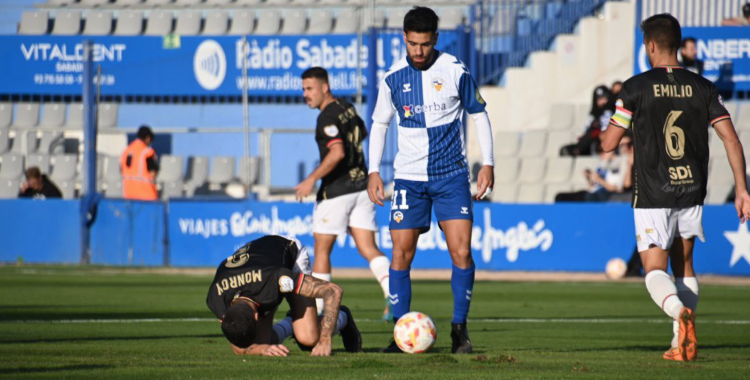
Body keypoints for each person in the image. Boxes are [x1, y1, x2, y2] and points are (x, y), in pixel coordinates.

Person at [600, 13, 750, 362]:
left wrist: (622, 120)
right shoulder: (703, 87)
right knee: (685, 268)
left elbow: (608, 143)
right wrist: (742, 190)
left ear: (650, 46)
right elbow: (731, 139)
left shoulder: (635, 87)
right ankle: (680, 343)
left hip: (653, 192)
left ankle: (678, 314)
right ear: (678, 45)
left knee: (654, 269)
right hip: (692, 189)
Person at [367, 6, 495, 354]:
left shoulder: (454, 70)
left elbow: (479, 114)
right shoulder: (393, 77)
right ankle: (400, 330)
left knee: (462, 252)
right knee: (401, 255)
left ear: (435, 39)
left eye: (424, 44)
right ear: (404, 39)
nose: (418, 51)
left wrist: (488, 163)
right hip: (408, 180)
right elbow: (379, 124)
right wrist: (373, 170)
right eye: (412, 44)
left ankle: (459, 329)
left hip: (451, 176)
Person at [295, 67, 392, 320]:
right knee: (369, 247)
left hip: (337, 191)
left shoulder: (326, 118)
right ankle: (394, 297)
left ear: (324, 87)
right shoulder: (347, 107)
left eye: (309, 89)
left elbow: (336, 152)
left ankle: (317, 310)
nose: (305, 94)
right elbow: (363, 131)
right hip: (362, 188)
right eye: (304, 89)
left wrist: (310, 179)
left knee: (322, 249)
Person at [206, 235, 362, 357]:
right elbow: (239, 347)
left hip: (287, 254)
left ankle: (344, 316)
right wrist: (263, 348)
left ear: (256, 316)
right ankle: (292, 322)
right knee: (263, 344)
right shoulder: (216, 298)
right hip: (260, 273)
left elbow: (333, 291)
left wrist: (326, 340)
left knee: (309, 339)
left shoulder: (276, 278)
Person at [555, 142, 624, 202]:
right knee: (560, 197)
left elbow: (617, 188)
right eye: (599, 153)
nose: (601, 155)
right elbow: (592, 188)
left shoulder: (618, 165)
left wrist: (600, 180)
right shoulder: (602, 166)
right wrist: (589, 178)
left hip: (602, 196)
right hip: (593, 194)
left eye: (602, 152)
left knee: (562, 198)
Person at [560, 85, 614, 156]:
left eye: (605, 98)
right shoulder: (593, 115)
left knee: (591, 135)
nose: (603, 101)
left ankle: (578, 150)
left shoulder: (610, 112)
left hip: (602, 140)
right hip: (589, 141)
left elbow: (607, 128)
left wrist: (596, 132)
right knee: (565, 149)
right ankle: (578, 150)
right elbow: (585, 129)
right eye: (600, 99)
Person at [121, 125, 158, 200]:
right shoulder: (148, 152)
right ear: (148, 138)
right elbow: (153, 172)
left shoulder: (126, 151)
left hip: (129, 194)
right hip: (146, 195)